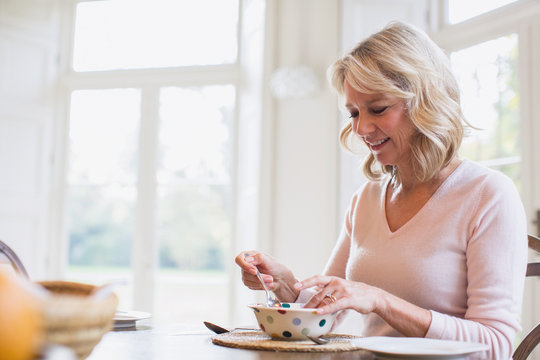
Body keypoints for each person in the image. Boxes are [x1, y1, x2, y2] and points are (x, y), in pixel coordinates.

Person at [235, 21, 528, 359]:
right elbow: (328, 311)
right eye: (354, 113)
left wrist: (380, 300)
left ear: (426, 102)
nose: (361, 128)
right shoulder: (367, 199)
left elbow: (495, 345)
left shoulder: (488, 194)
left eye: (378, 109)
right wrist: (288, 288)